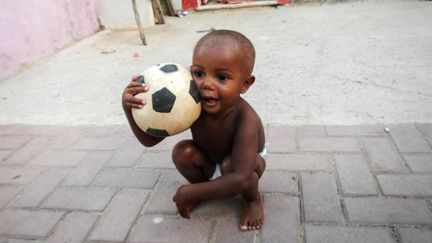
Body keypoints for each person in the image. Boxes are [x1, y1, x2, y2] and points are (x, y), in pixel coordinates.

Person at [122, 29, 266, 231]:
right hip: (211, 160)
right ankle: (205, 188)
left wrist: (190, 192)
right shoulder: (191, 103)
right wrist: (128, 108)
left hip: (244, 167)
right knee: (182, 152)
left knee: (231, 167)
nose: (207, 83)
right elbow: (149, 141)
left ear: (245, 84)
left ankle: (253, 201)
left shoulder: (245, 119)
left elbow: (241, 176)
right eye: (199, 73)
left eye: (222, 77)